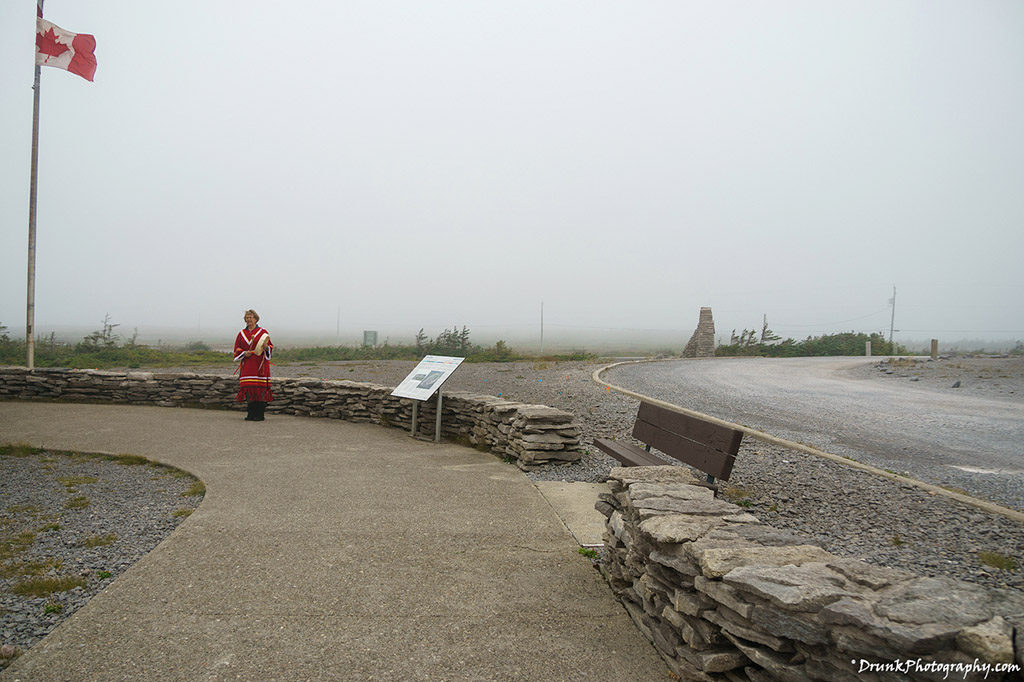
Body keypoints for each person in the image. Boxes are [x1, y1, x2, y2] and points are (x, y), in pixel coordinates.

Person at [234, 309, 273, 421]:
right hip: (248, 363)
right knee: (249, 388)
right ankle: (251, 414)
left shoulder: (263, 332)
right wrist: (243, 353)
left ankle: (259, 414)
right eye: (246, 318)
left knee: (260, 389)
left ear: (256, 318)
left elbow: (270, 346)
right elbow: (237, 348)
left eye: (250, 317)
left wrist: (266, 348)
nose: (248, 320)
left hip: (260, 364)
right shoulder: (242, 334)